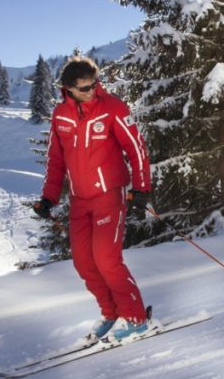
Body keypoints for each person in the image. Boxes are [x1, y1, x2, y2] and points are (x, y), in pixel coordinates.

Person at [33, 56, 157, 343]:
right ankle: (111, 313)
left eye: (94, 85)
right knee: (83, 262)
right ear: (68, 89)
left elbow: (137, 149)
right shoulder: (60, 115)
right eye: (85, 88)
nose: (92, 91)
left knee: (106, 259)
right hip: (79, 200)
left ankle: (136, 318)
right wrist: (49, 198)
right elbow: (55, 161)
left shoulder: (112, 108)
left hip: (109, 195)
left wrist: (141, 187)